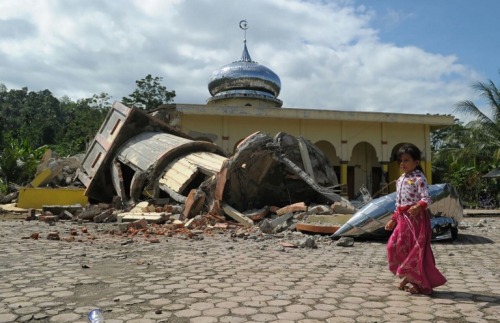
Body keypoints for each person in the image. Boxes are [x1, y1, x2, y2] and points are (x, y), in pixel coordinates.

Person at [384, 143, 446, 295]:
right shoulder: (400, 179)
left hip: (416, 221)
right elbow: (398, 203)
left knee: (414, 252)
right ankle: (409, 277)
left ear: (416, 162)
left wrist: (419, 206)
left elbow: (427, 198)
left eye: (406, 160)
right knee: (393, 246)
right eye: (401, 161)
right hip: (403, 220)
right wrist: (393, 219)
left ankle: (418, 283)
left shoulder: (419, 178)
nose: (402, 163)